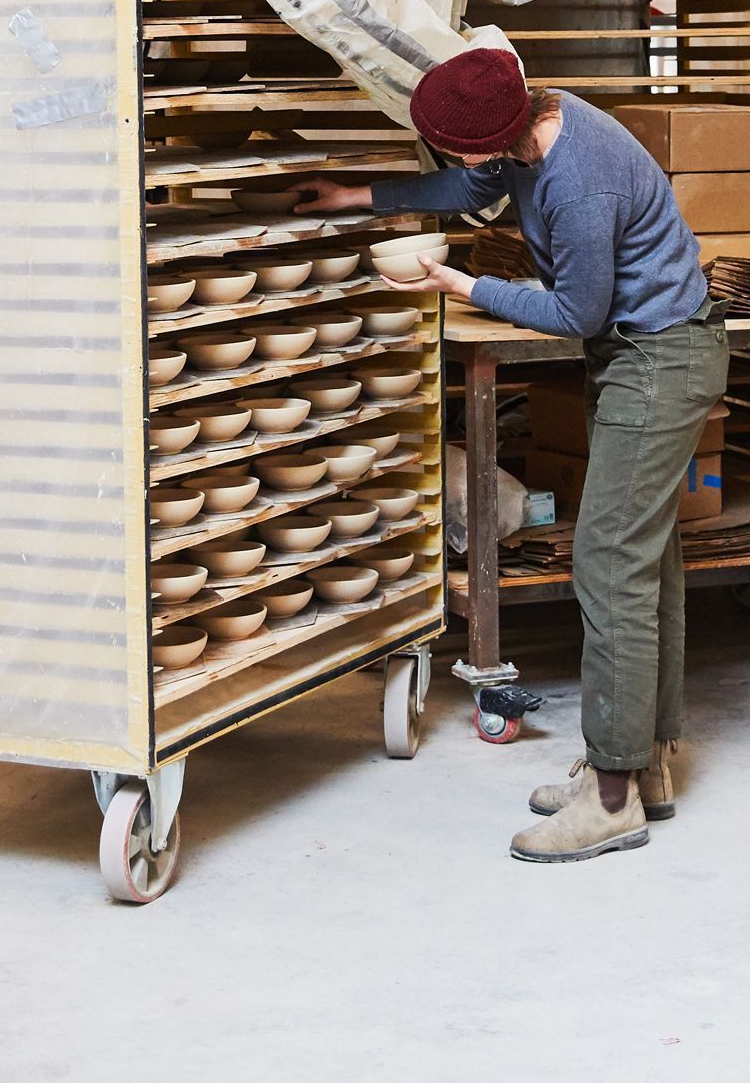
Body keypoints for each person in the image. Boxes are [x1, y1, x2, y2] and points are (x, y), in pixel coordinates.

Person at [301, 46, 727, 864]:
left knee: (608, 564)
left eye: (446, 144)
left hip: (662, 359)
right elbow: (471, 190)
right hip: (644, 353)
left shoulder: (577, 177)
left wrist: (459, 286)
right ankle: (647, 768)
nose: (449, 158)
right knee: (648, 560)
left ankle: (611, 798)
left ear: (484, 135)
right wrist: (359, 194)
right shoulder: (534, 132)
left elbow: (576, 310)